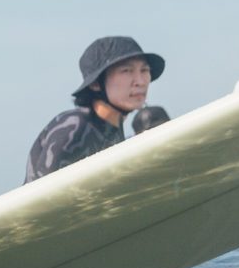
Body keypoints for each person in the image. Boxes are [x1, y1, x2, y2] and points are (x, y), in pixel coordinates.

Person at [26, 35, 163, 181]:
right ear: (96, 84)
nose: (140, 81)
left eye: (144, 70)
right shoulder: (75, 125)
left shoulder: (114, 130)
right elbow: (42, 195)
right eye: (126, 71)